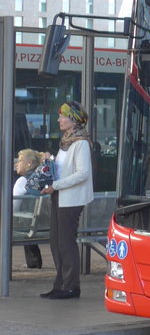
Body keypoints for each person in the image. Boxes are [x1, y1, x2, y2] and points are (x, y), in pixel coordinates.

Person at [39, 101, 94, 300]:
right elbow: (63, 169)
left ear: (73, 119)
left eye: (62, 116)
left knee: (66, 243)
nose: (59, 119)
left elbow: (83, 174)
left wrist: (56, 186)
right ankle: (61, 284)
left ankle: (71, 286)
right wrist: (50, 160)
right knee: (56, 242)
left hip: (70, 199)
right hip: (59, 196)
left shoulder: (80, 143)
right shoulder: (67, 141)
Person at [13, 148, 53, 269]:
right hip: (44, 223)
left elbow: (13, 207)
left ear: (29, 163)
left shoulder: (22, 181)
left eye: (20, 161)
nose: (16, 164)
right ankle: (33, 262)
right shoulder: (42, 179)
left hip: (28, 225)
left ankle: (33, 263)